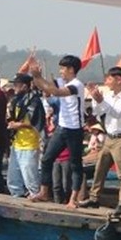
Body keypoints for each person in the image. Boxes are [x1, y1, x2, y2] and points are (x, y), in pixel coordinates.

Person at [26, 54, 86, 207]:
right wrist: (35, 75)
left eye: (63, 69)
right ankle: (44, 191)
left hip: (74, 129)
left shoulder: (76, 84)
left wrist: (38, 77)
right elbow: (44, 87)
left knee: (75, 165)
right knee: (46, 159)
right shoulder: (61, 81)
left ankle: (73, 198)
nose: (60, 71)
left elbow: (56, 92)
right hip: (62, 127)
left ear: (71, 70)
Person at [85, 66, 121, 212]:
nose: (106, 81)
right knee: (100, 169)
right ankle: (94, 198)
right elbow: (98, 111)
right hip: (109, 137)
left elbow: (118, 113)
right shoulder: (110, 96)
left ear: (119, 80)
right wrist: (96, 99)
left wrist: (101, 101)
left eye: (109, 78)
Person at [5, 73, 44, 198]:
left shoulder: (34, 100)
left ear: (25, 86)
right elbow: (13, 117)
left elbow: (32, 121)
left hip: (29, 143)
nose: (15, 88)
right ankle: (17, 196)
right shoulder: (17, 100)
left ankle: (35, 196)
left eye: (17, 85)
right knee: (13, 177)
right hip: (17, 143)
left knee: (30, 175)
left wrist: (17, 125)